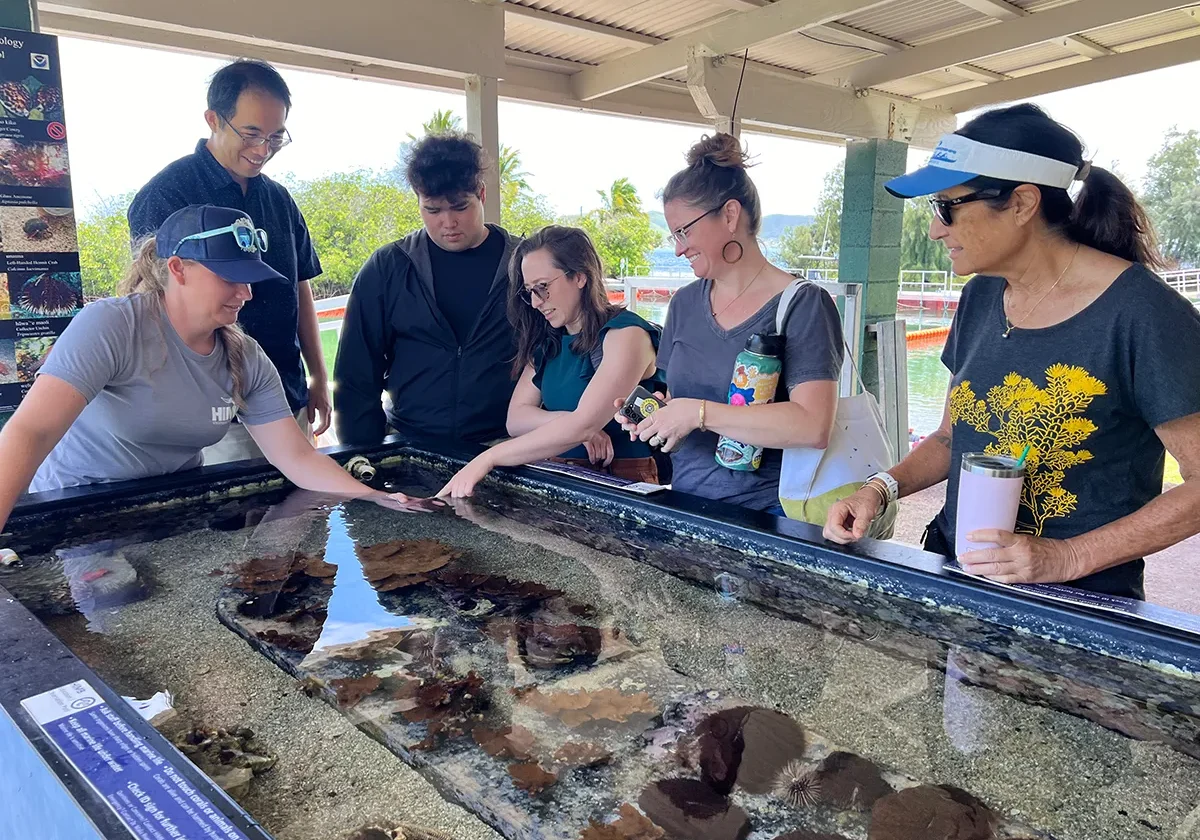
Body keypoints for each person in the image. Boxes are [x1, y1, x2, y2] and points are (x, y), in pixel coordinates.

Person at [823, 103, 1200, 599]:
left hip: (1077, 603)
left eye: (947, 207)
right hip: (957, 574)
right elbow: (950, 438)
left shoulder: (1145, 314)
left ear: (1022, 204)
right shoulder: (981, 295)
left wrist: (1068, 556)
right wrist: (880, 489)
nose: (937, 229)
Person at [0, 205, 414, 534]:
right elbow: (29, 432)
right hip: (78, 507)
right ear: (178, 268)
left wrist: (375, 497)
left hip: (175, 507)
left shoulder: (246, 356)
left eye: (250, 278)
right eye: (230, 277)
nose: (246, 293)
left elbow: (296, 457)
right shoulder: (112, 325)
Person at [615, 134, 845, 514]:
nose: (677, 248)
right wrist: (664, 415)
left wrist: (699, 413)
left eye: (684, 231)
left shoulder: (803, 304)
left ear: (730, 215)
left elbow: (813, 425)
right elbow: (682, 399)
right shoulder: (685, 303)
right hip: (688, 505)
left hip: (772, 517)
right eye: (673, 235)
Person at [128, 59, 330, 462]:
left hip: (287, 395)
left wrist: (318, 377)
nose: (262, 150)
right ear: (213, 119)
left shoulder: (279, 200)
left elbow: (299, 286)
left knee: (306, 516)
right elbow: (153, 303)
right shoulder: (167, 196)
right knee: (232, 520)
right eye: (251, 133)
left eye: (275, 137)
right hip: (212, 411)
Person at [437, 226, 663, 498]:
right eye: (529, 291)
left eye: (543, 287)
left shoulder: (627, 334)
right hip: (557, 475)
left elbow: (585, 423)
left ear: (579, 276)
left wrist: (489, 458)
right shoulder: (549, 343)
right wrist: (565, 421)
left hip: (621, 481)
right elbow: (516, 419)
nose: (535, 302)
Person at [333, 132, 519, 446]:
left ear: (482, 195)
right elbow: (355, 377)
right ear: (418, 201)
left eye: (460, 207)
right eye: (432, 210)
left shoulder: (524, 266)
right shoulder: (388, 267)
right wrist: (365, 458)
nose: (448, 222)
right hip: (411, 444)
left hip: (506, 447)